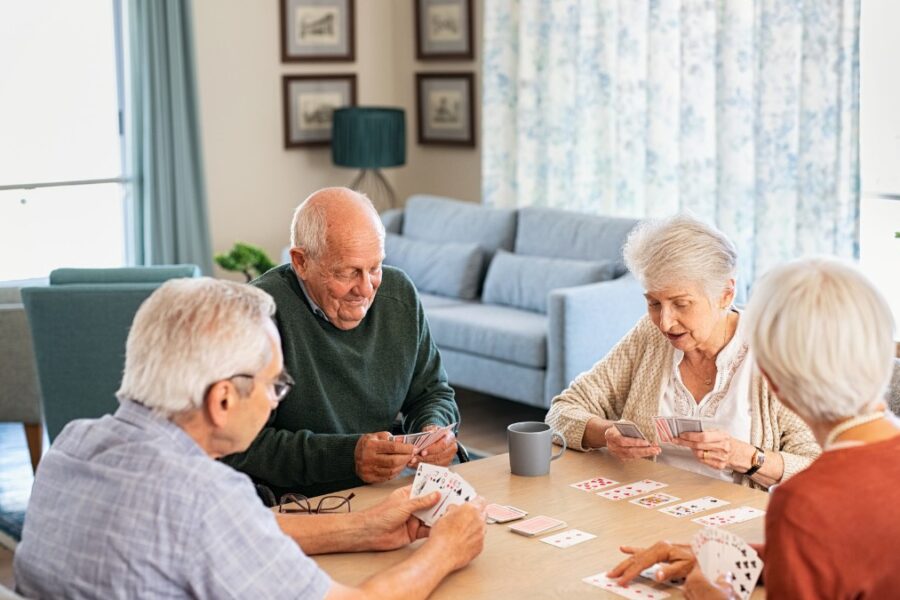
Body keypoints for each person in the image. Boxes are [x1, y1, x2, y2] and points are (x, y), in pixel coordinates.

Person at [13, 278, 486, 599]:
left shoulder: (72, 445)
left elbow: (233, 534)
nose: (277, 397)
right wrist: (445, 551)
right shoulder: (205, 496)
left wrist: (364, 527)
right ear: (222, 400)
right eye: (274, 384)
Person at [606, 257, 900, 599]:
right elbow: (856, 555)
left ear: (773, 382)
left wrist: (710, 596)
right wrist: (737, 558)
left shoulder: (806, 502)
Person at [545, 214, 819, 488]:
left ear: (726, 294)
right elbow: (560, 413)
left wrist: (747, 458)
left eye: (681, 304)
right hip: (645, 502)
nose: (665, 323)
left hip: (737, 511)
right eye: (654, 303)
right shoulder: (651, 335)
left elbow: (819, 467)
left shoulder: (774, 350)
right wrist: (606, 434)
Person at [225, 187, 459, 498]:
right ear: (301, 262)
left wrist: (434, 430)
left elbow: (433, 393)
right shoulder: (257, 315)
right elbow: (239, 445)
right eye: (347, 273)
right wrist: (346, 458)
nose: (366, 289)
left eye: (374, 268)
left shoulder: (399, 294)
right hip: (297, 503)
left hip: (388, 489)